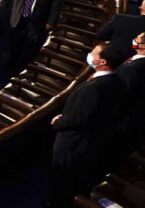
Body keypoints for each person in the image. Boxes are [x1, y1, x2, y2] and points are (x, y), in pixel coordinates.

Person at [50, 44, 128, 206]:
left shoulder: (94, 88)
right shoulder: (117, 82)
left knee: (63, 180)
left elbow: (78, 119)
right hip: (92, 142)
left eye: (93, 53)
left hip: (73, 143)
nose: (90, 55)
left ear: (102, 62)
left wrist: (58, 122)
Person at [1, 0, 62, 68]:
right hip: (18, 19)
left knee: (29, 46)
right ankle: (8, 64)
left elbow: (56, 7)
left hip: (37, 22)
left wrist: (51, 22)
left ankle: (21, 67)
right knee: (13, 43)